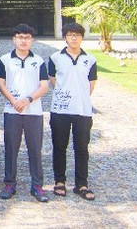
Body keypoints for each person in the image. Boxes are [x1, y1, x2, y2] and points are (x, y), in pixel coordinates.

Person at [0, 24, 50, 203]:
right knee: (11, 148)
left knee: (35, 149)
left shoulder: (39, 61)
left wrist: (27, 100)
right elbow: (1, 83)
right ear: (14, 39)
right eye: (20, 37)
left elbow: (44, 86)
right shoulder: (5, 60)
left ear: (32, 40)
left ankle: (37, 185)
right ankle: (9, 184)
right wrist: (14, 101)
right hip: (11, 111)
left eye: (27, 37)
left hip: (34, 111)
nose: (23, 41)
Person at [48, 22, 98, 201]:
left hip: (83, 110)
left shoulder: (90, 59)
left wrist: (79, 97)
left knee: (82, 148)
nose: (74, 38)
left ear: (82, 37)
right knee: (59, 146)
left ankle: (82, 184)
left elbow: (91, 84)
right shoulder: (55, 57)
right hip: (60, 109)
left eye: (77, 35)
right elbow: (53, 80)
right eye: (70, 35)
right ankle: (59, 181)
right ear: (65, 37)